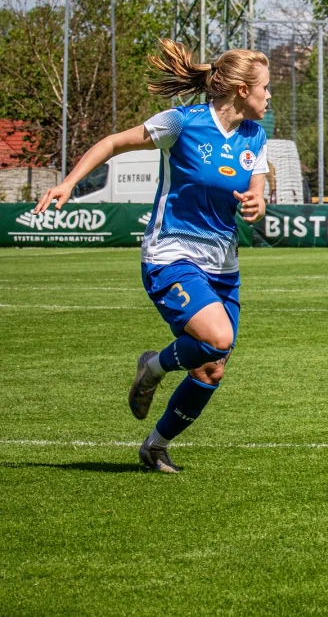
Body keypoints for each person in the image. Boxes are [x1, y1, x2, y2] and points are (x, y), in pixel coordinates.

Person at [34, 39, 271, 473]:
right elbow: (112, 143)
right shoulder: (182, 122)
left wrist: (258, 203)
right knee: (216, 339)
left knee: (211, 369)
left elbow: (257, 190)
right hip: (172, 253)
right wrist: (68, 183)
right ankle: (154, 367)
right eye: (265, 88)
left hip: (223, 264)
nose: (269, 96)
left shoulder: (256, 135)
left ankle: (155, 446)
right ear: (242, 90)